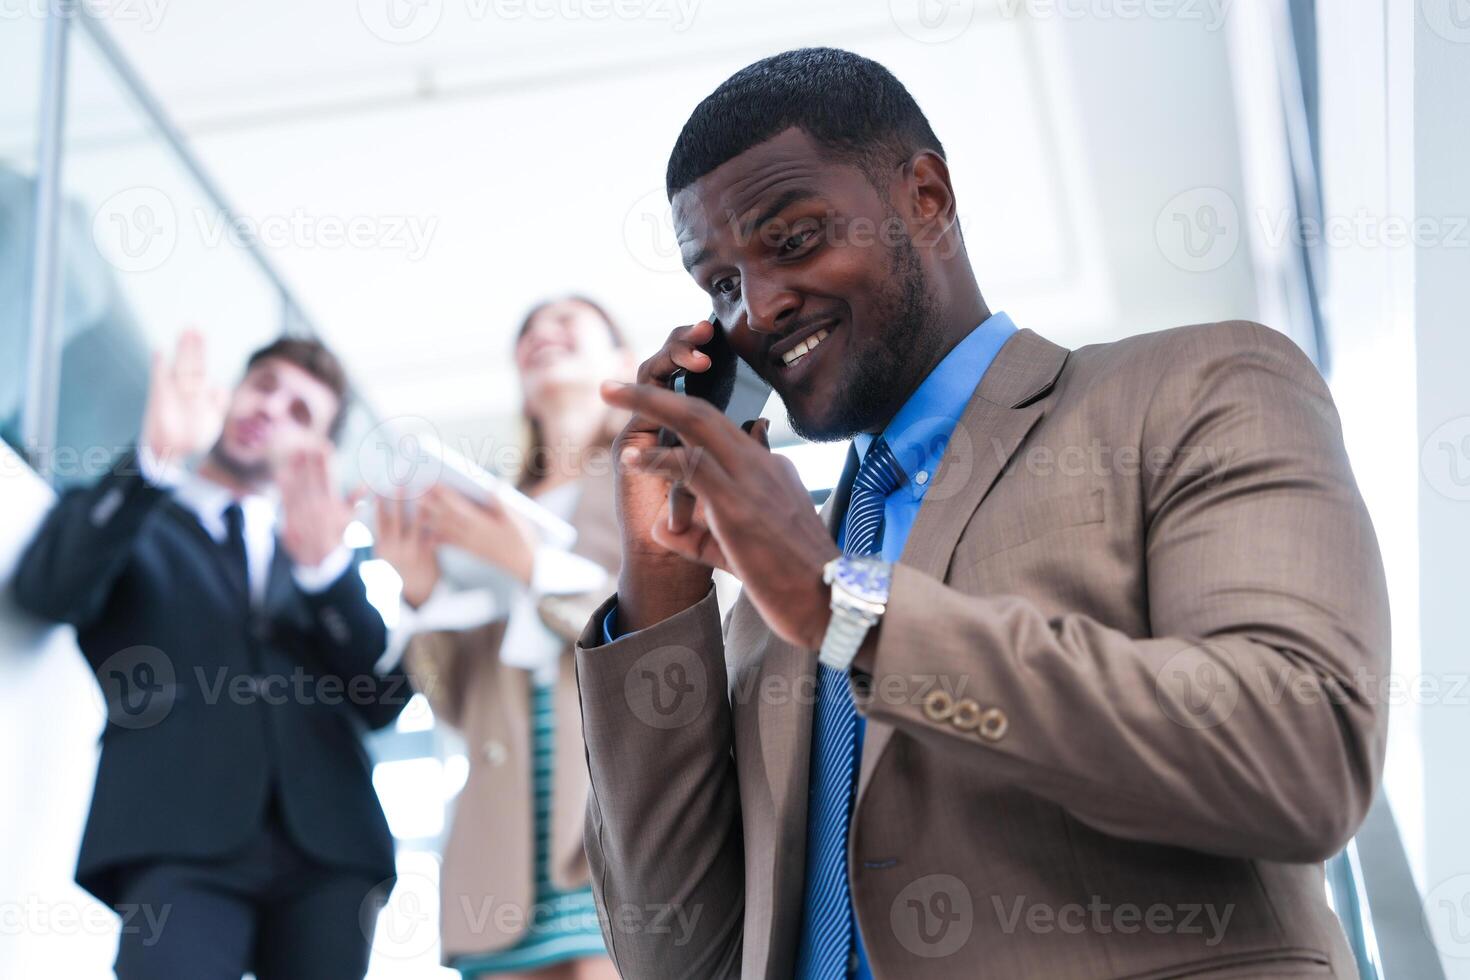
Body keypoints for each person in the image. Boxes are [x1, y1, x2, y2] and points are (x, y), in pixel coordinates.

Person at [572, 48, 1390, 979]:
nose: (757, 308)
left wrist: (849, 608)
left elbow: (1300, 755)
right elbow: (673, 955)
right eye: (720, 284)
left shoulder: (1192, 388)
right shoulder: (783, 582)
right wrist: (661, 581)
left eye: (792, 240)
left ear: (927, 197)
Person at [11, 330, 406, 980]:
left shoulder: (324, 557)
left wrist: (325, 573)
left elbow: (385, 702)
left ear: (317, 452)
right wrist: (154, 461)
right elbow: (47, 590)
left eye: (301, 412)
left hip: (331, 847)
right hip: (173, 832)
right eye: (264, 387)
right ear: (231, 395)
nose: (272, 409)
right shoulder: (137, 516)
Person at [373, 297, 628, 980]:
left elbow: (664, 634)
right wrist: (421, 590)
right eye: (527, 332)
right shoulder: (488, 506)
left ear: (622, 362)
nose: (542, 334)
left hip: (615, 813)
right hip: (503, 833)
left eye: (567, 322)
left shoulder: (653, 478)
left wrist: (530, 566)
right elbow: (457, 704)